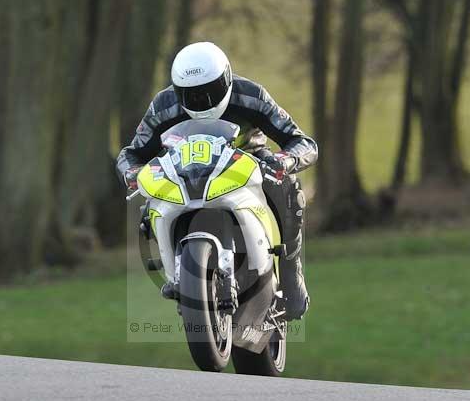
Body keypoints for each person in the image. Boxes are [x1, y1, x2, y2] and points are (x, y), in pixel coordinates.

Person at [116, 41, 318, 319]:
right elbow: (132, 153)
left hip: (246, 164)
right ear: (177, 91)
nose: (201, 102)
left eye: (209, 92)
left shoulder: (252, 95)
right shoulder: (163, 105)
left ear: (226, 80)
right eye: (190, 95)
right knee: (148, 207)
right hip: (185, 169)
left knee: (290, 191)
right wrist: (132, 174)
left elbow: (302, 141)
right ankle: (175, 268)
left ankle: (291, 275)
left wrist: (286, 160)